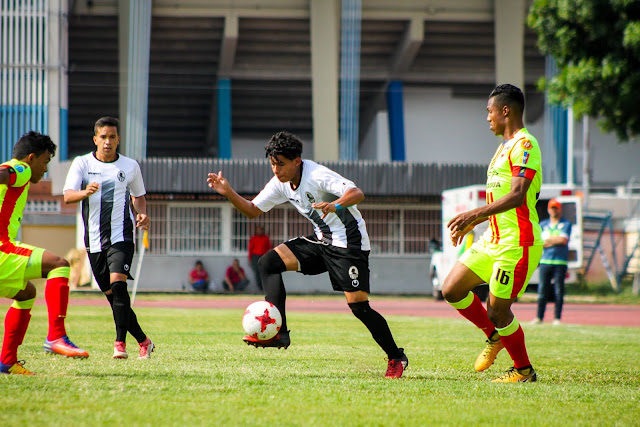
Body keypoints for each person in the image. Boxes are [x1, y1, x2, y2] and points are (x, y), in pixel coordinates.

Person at [207, 131, 408, 378]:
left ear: (297, 161)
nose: (276, 170)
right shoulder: (280, 182)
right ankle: (279, 333)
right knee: (268, 263)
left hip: (349, 244)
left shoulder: (317, 175)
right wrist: (228, 192)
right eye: (272, 164)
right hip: (322, 241)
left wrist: (335, 205)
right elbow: (252, 210)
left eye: (281, 164)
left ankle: (396, 357)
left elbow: (357, 193)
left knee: (359, 307)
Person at [442, 84, 543, 383]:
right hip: (492, 240)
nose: (487, 117)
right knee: (452, 289)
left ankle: (523, 371)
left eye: (490, 111)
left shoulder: (525, 144)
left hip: (517, 243)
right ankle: (494, 336)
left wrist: (473, 214)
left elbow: (517, 196)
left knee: (498, 311)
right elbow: (500, 200)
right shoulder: (502, 148)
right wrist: (477, 222)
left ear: (505, 110)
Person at [63, 117, 154, 360]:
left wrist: (142, 213)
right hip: (94, 239)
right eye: (103, 137)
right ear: (95, 139)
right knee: (114, 297)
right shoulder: (82, 163)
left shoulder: (130, 165)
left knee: (119, 285)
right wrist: (85, 192)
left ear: (118, 139)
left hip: (122, 235)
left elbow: (138, 196)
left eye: (112, 137)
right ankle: (144, 341)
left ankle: (119, 344)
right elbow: (68, 196)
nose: (107, 141)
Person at [0, 131, 89, 375]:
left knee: (27, 293)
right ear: (31, 158)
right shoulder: (21, 169)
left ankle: (7, 361)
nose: (46, 169)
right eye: (46, 161)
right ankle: (56, 336)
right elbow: (4, 174)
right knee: (59, 263)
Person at [532, 199, 571, 325]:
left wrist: (548, 240)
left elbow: (563, 240)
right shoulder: (543, 224)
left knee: (558, 291)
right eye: (552, 208)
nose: (554, 210)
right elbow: (539, 242)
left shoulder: (566, 223)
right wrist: (554, 240)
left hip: (560, 262)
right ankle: (539, 317)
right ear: (548, 210)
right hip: (545, 261)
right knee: (542, 290)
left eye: (556, 208)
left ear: (560, 209)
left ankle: (557, 318)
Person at [248, 225, 272, 290]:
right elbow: (250, 249)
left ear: (262, 231)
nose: (259, 231)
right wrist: (250, 259)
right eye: (257, 230)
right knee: (257, 272)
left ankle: (265, 286)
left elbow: (269, 248)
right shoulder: (253, 238)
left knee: (264, 271)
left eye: (260, 230)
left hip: (263, 256)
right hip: (255, 257)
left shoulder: (266, 238)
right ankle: (260, 287)